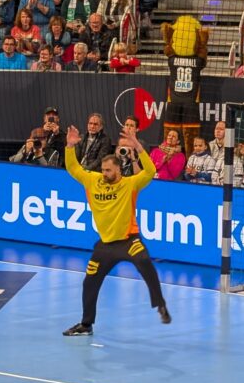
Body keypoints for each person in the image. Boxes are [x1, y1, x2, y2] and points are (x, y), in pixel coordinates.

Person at [62, 123, 170, 336]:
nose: (103, 174)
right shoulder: (93, 181)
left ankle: (160, 305)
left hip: (128, 240)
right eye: (102, 170)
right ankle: (86, 324)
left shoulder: (130, 185)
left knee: (145, 263)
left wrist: (138, 147)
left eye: (108, 170)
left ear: (118, 170)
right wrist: (69, 147)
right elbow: (73, 169)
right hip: (104, 245)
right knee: (89, 283)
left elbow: (150, 171)